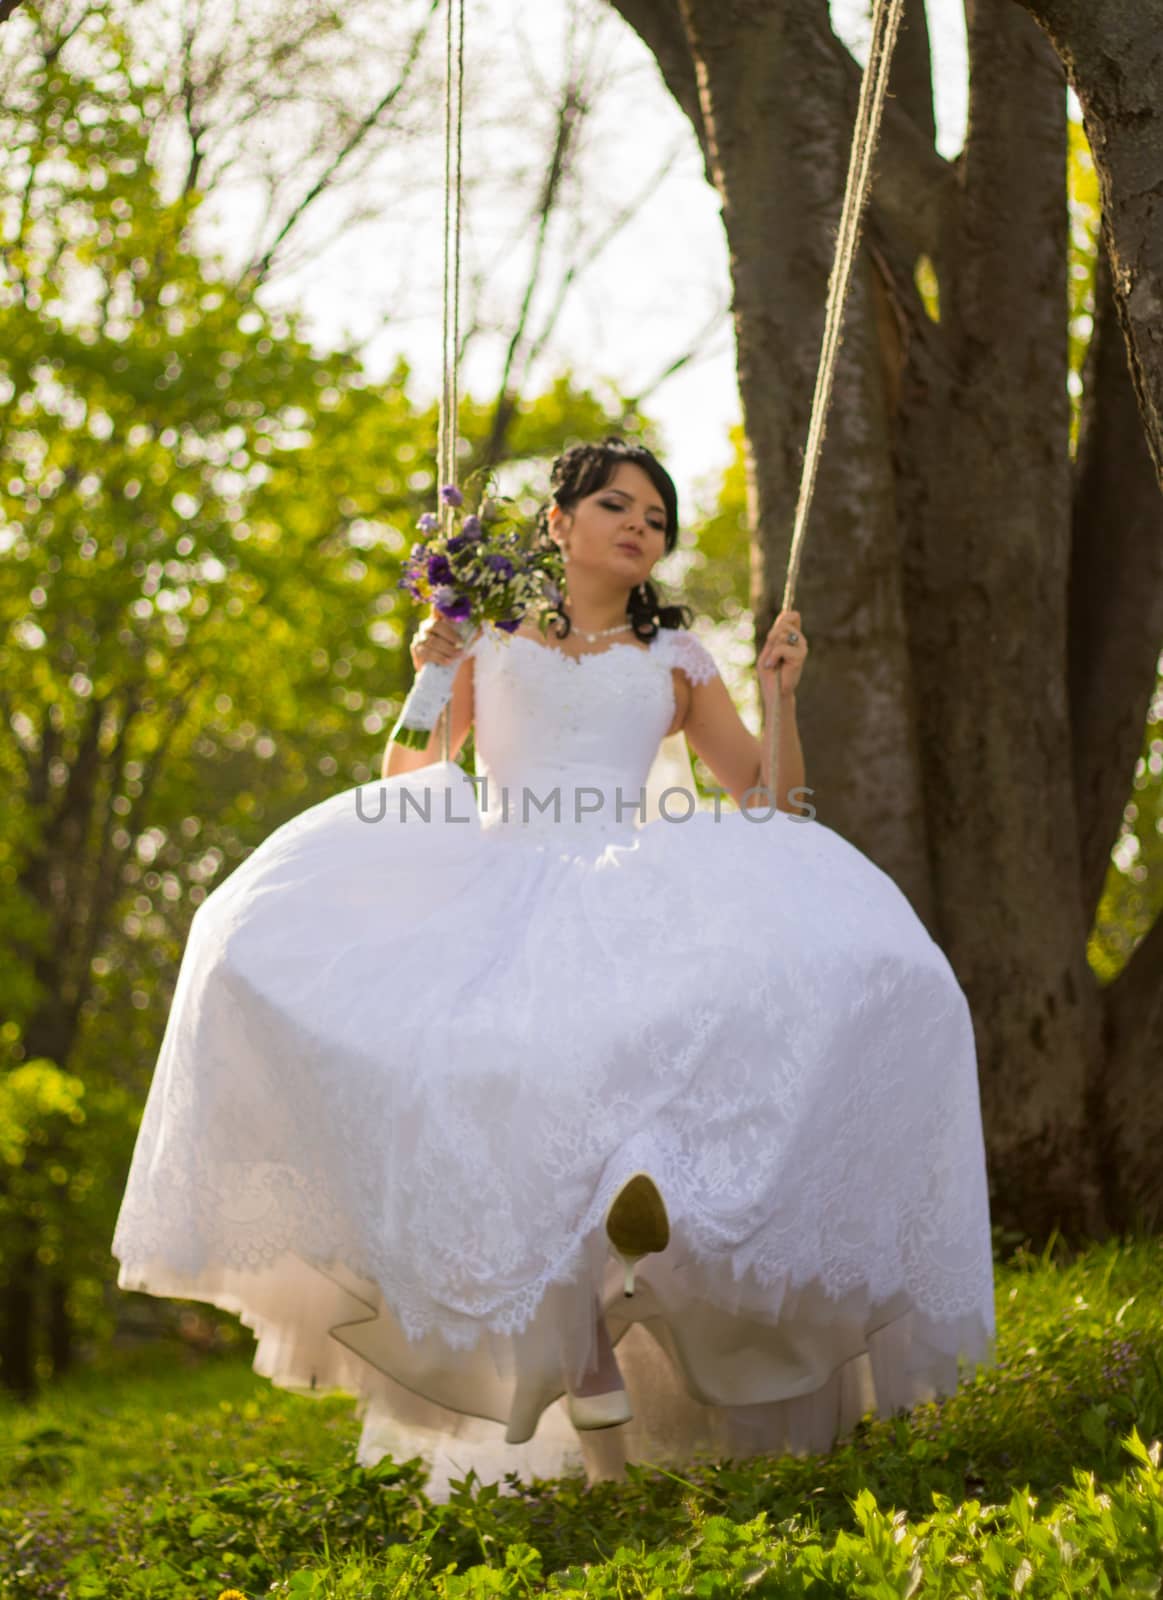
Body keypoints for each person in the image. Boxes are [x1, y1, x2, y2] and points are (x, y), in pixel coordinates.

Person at [112, 437, 995, 1501]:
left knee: (688, 1037)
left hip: (629, 879)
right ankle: (583, 1331)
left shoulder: (676, 659)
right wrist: (428, 674)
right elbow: (410, 771)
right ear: (558, 523)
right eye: (617, 505)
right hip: (499, 877)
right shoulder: (490, 634)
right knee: (496, 1076)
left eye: (656, 518)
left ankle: (622, 1271)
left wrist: (780, 693)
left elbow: (770, 803)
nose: (639, 526)